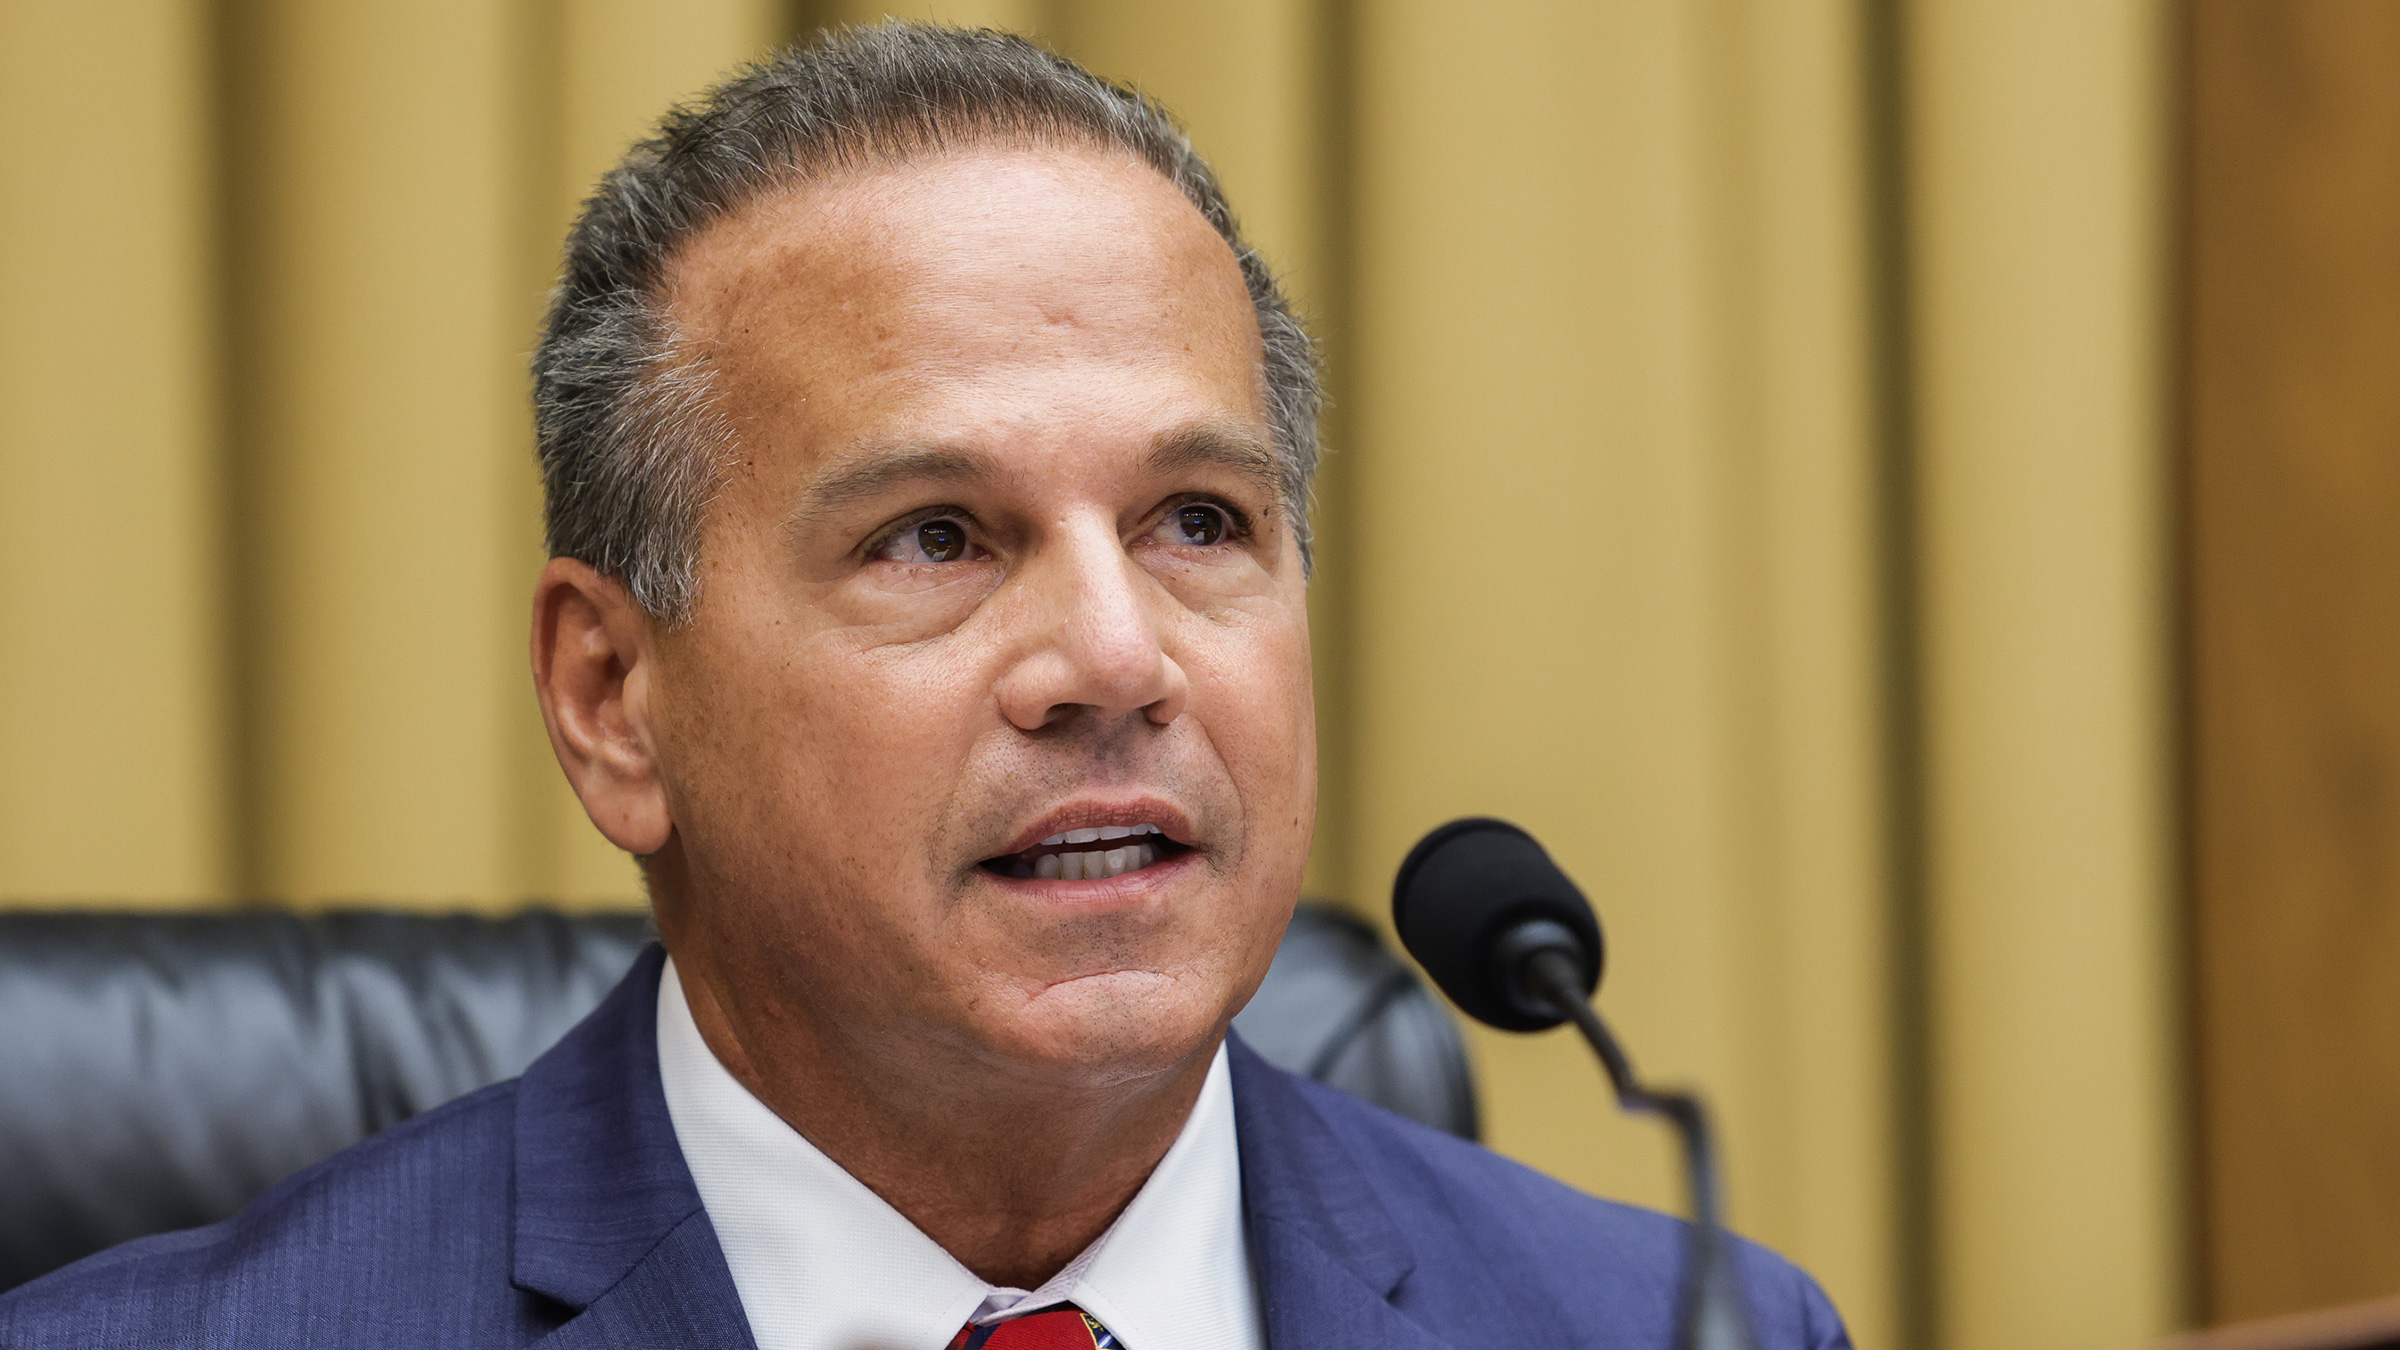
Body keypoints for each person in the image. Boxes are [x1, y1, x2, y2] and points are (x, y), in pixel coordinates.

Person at [0, 23, 1849, 1350]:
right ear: (611, 696)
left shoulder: (1692, 1323)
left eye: (1200, 518)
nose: (1115, 659)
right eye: (937, 540)